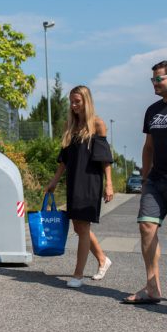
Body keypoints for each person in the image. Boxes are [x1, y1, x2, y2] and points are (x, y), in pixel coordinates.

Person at [45, 85, 114, 288]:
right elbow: (64, 161)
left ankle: (78, 275)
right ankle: (102, 259)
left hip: (90, 181)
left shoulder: (98, 124)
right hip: (74, 181)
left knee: (83, 226)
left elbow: (105, 160)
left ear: (87, 101)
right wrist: (53, 182)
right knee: (78, 226)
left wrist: (109, 184)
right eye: (72, 102)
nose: (74, 105)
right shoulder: (70, 126)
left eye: (78, 101)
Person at [123, 60, 167, 305]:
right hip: (156, 180)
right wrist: (145, 178)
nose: (154, 83)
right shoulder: (152, 110)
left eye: (159, 79)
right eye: (152, 79)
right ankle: (153, 287)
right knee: (146, 227)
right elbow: (148, 147)